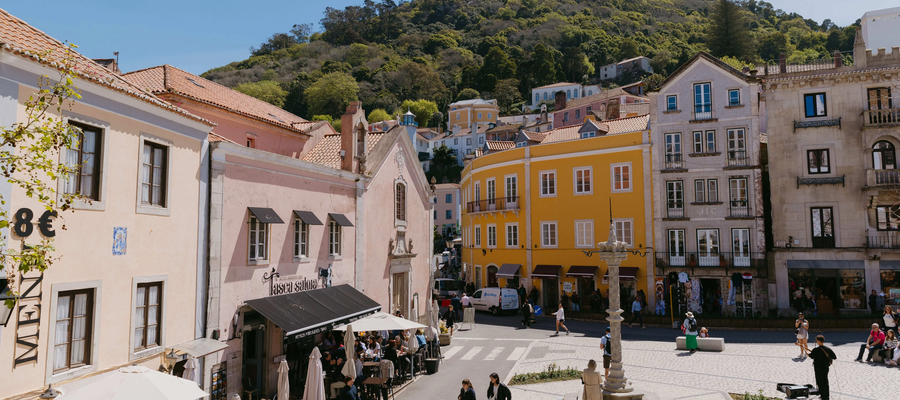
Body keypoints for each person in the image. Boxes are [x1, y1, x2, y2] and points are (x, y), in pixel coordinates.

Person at [808, 335, 837, 400]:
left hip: (818, 368)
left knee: (820, 382)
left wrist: (807, 353)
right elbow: (834, 357)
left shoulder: (816, 350)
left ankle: (823, 396)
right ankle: (826, 396)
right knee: (825, 381)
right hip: (825, 367)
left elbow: (811, 356)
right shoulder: (827, 349)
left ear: (818, 341)